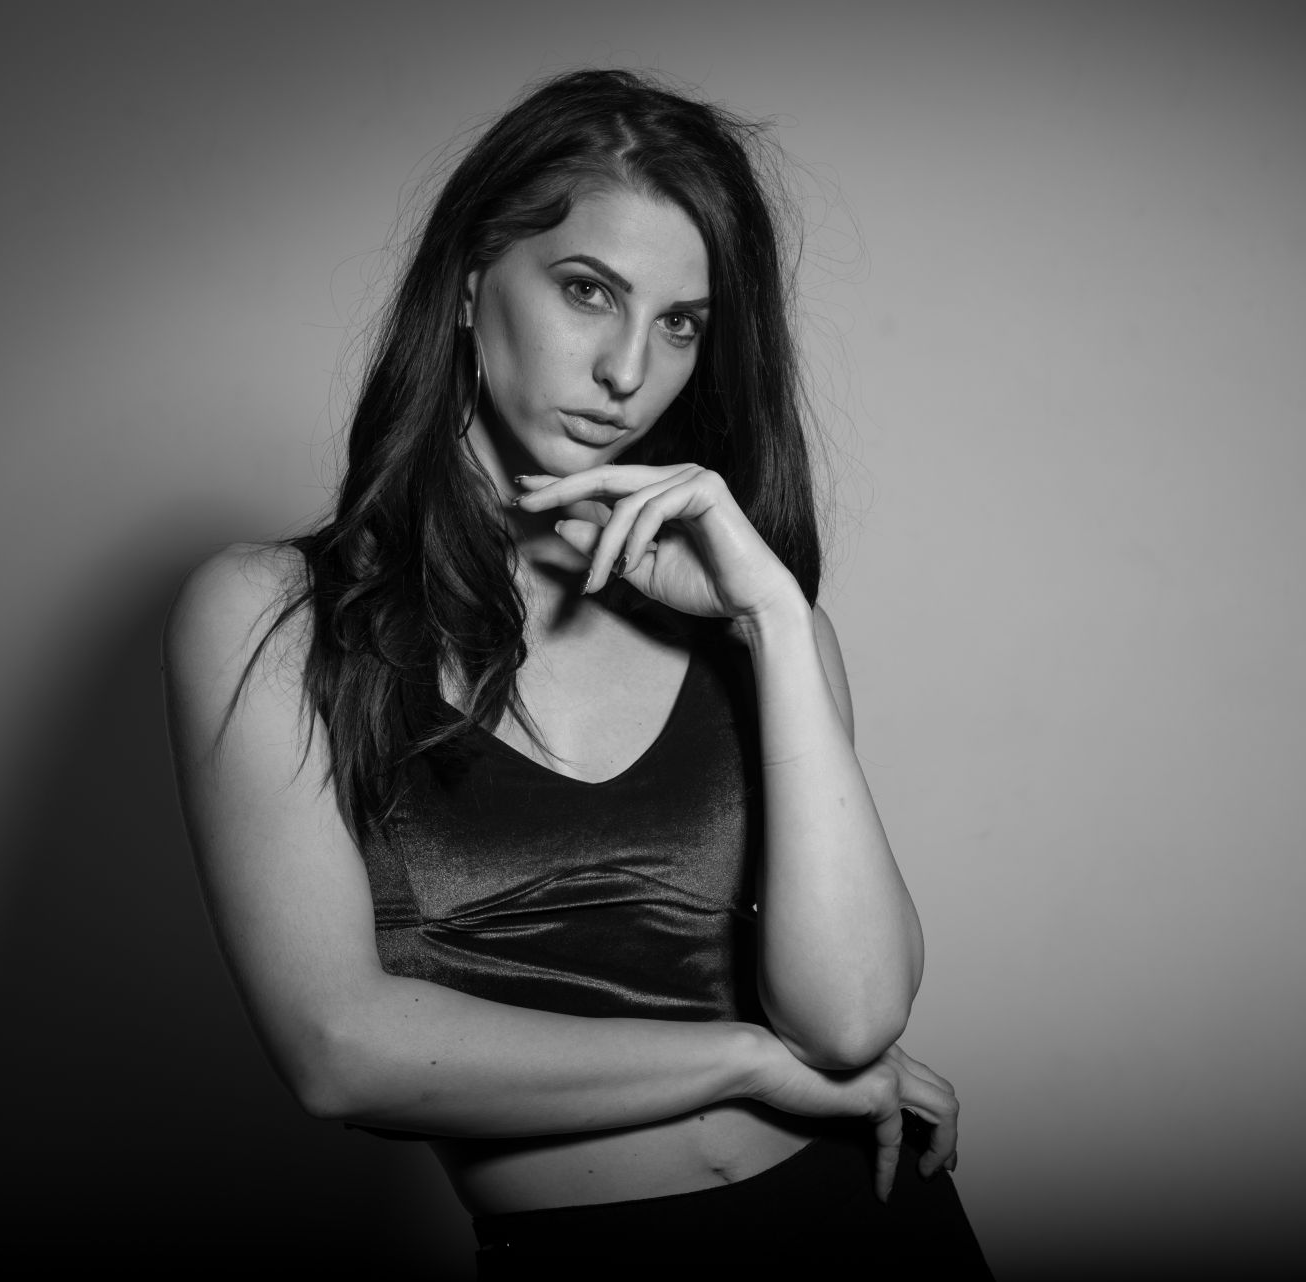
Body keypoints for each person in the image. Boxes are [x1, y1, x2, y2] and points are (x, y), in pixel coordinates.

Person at [163, 69, 990, 1278]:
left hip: (877, 1228)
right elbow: (339, 1049)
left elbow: (855, 1019)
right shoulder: (271, 614)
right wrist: (744, 1062)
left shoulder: (753, 623)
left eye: (681, 323)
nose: (627, 370)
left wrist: (774, 616)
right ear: (467, 282)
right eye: (588, 290)